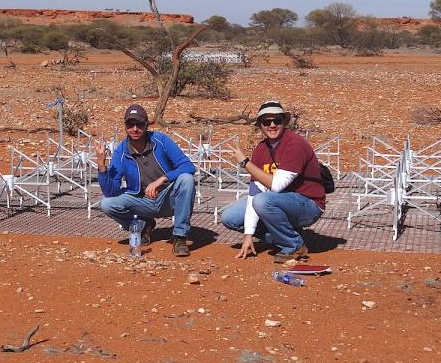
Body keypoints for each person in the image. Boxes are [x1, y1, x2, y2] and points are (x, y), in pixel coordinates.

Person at [221, 100, 325, 263]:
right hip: (280, 201)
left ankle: (293, 245)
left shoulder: (295, 144)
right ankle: (283, 236)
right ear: (260, 125)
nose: (272, 125)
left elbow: (277, 185)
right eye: (266, 121)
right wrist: (248, 235)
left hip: (308, 204)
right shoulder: (261, 149)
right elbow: (255, 191)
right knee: (230, 216)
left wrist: (245, 163)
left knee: (263, 201)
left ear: (284, 122)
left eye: (277, 120)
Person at [94, 104, 196, 257]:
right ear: (125, 126)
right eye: (130, 124)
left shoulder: (161, 141)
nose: (135, 129)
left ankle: (180, 236)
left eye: (139, 124)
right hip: (142, 200)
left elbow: (188, 166)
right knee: (106, 204)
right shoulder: (121, 151)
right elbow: (111, 192)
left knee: (186, 180)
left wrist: (162, 179)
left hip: (168, 197)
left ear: (146, 125)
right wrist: (102, 165)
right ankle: (142, 226)